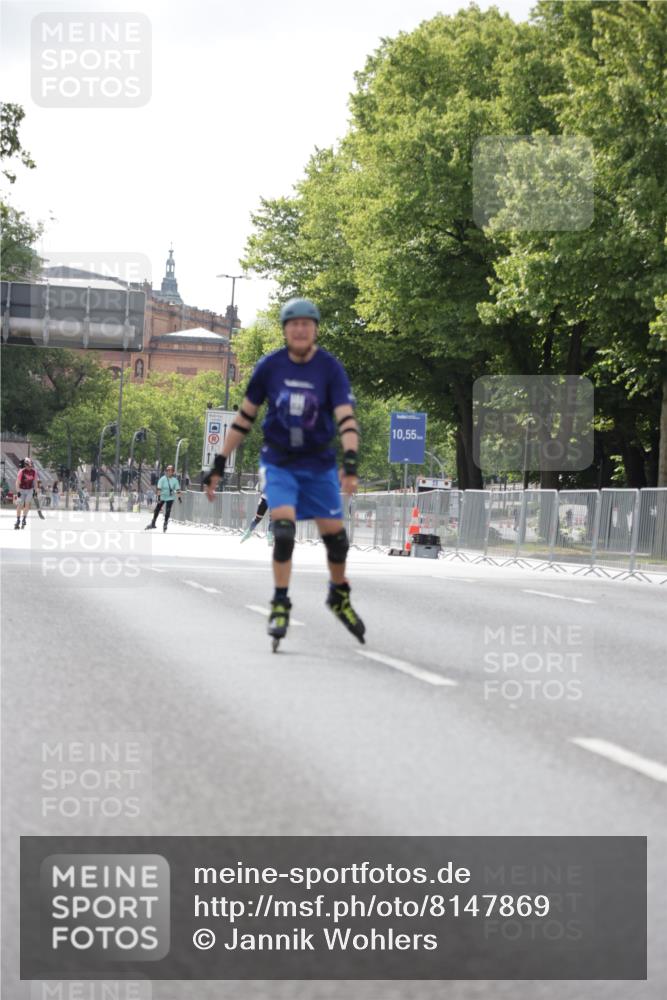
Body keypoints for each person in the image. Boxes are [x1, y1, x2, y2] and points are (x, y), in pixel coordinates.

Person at [202, 296, 365, 645]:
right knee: (285, 530)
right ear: (285, 330)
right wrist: (218, 463)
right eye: (294, 325)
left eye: (307, 324)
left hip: (319, 463)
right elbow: (244, 418)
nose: (301, 330)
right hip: (279, 462)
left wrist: (350, 463)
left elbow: (346, 420)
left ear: (315, 330)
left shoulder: (330, 368)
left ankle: (338, 593)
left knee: (337, 540)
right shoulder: (269, 367)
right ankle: (280, 601)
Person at [146, 464, 181, 532]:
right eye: (168, 470)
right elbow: (159, 489)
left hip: (170, 497)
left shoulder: (175, 480)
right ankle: (153, 523)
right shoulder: (162, 479)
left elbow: (177, 490)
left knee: (168, 510)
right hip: (162, 496)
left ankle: (165, 523)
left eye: (171, 471)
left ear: (173, 472)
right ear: (166, 471)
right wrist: (159, 497)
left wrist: (179, 498)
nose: (169, 472)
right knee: (157, 509)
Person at [14, 457, 40, 529]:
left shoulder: (34, 472)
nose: (29, 467)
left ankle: (24, 518)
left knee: (27, 504)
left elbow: (35, 482)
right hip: (21, 489)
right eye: (28, 465)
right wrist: (18, 491)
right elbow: (17, 482)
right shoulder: (21, 471)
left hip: (29, 490)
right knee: (20, 505)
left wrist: (35, 491)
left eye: (31, 465)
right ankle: (18, 520)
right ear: (25, 465)